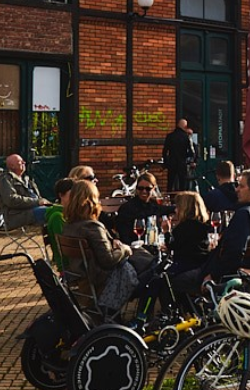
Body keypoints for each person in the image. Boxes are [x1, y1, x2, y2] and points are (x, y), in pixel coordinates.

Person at [58, 179, 158, 308]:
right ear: (92, 201)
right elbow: (108, 260)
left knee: (143, 258)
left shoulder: (69, 226)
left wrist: (112, 243)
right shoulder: (92, 227)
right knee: (155, 271)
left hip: (83, 277)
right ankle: (143, 317)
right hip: (103, 282)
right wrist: (124, 249)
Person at [206, 169, 250, 282]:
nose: (236, 189)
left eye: (241, 186)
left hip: (230, 278)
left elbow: (234, 252)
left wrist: (213, 276)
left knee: (176, 280)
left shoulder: (245, 214)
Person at [107, 171, 171, 243]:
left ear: (153, 188)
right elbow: (123, 234)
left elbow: (166, 210)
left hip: (152, 244)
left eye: (148, 189)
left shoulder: (154, 205)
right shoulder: (127, 208)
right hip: (133, 245)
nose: (144, 191)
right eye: (140, 188)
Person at [162, 117, 195, 191]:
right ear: (184, 126)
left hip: (172, 163)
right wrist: (187, 158)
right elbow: (191, 152)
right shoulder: (186, 137)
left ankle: (170, 198)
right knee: (182, 184)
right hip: (182, 163)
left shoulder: (170, 136)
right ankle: (181, 199)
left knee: (170, 183)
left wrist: (166, 162)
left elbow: (164, 151)